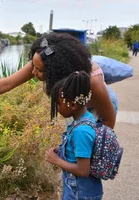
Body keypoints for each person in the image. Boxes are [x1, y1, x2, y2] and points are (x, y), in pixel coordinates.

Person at [0, 33, 117, 129]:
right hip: (74, 106)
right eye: (33, 65)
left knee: (84, 160)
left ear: (57, 70)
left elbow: (109, 121)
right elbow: (7, 83)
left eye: (38, 70)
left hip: (97, 108)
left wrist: (93, 153)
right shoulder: (44, 59)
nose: (32, 72)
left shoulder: (92, 82)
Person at [45, 71, 103, 200]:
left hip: (80, 193)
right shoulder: (86, 118)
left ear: (72, 104)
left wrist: (57, 160)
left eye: (58, 104)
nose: (57, 108)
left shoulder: (81, 131)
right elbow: (81, 151)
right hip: (82, 190)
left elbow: (83, 170)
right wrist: (62, 150)